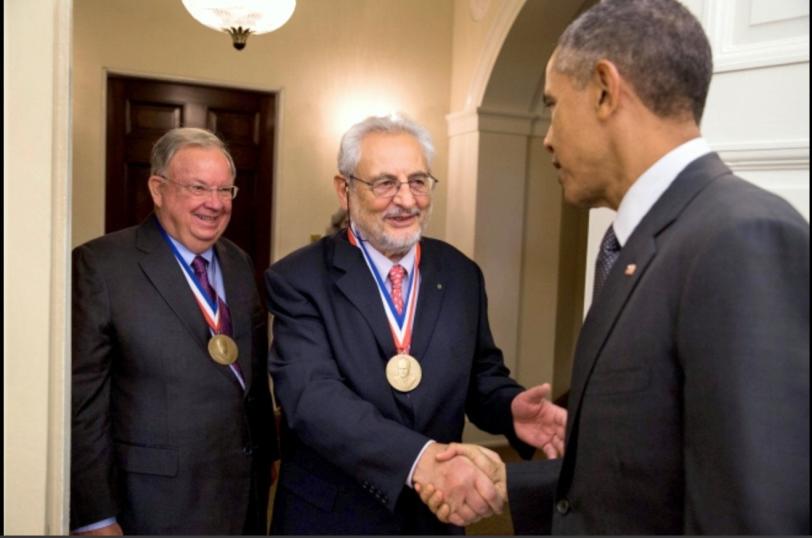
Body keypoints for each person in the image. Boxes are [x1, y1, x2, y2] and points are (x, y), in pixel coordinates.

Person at [419, 0, 810, 534]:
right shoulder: (640, 243)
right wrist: (511, 483)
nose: (549, 136)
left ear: (605, 90)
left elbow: (752, 514)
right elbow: (646, 471)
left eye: (553, 104)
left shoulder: (741, 238)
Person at [264, 114, 566, 534]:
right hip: (334, 518)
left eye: (418, 181)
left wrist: (510, 408)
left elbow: (481, 374)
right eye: (384, 183)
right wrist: (420, 460)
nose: (406, 200)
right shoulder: (298, 279)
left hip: (435, 521)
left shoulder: (461, 273)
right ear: (344, 189)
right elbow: (313, 400)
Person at [71, 127, 278, 534]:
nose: (214, 204)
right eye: (199, 187)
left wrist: (268, 455)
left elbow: (250, 376)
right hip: (151, 504)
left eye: (225, 191)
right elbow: (83, 403)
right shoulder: (102, 266)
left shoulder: (237, 262)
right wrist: (95, 515)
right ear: (157, 188)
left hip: (241, 495)